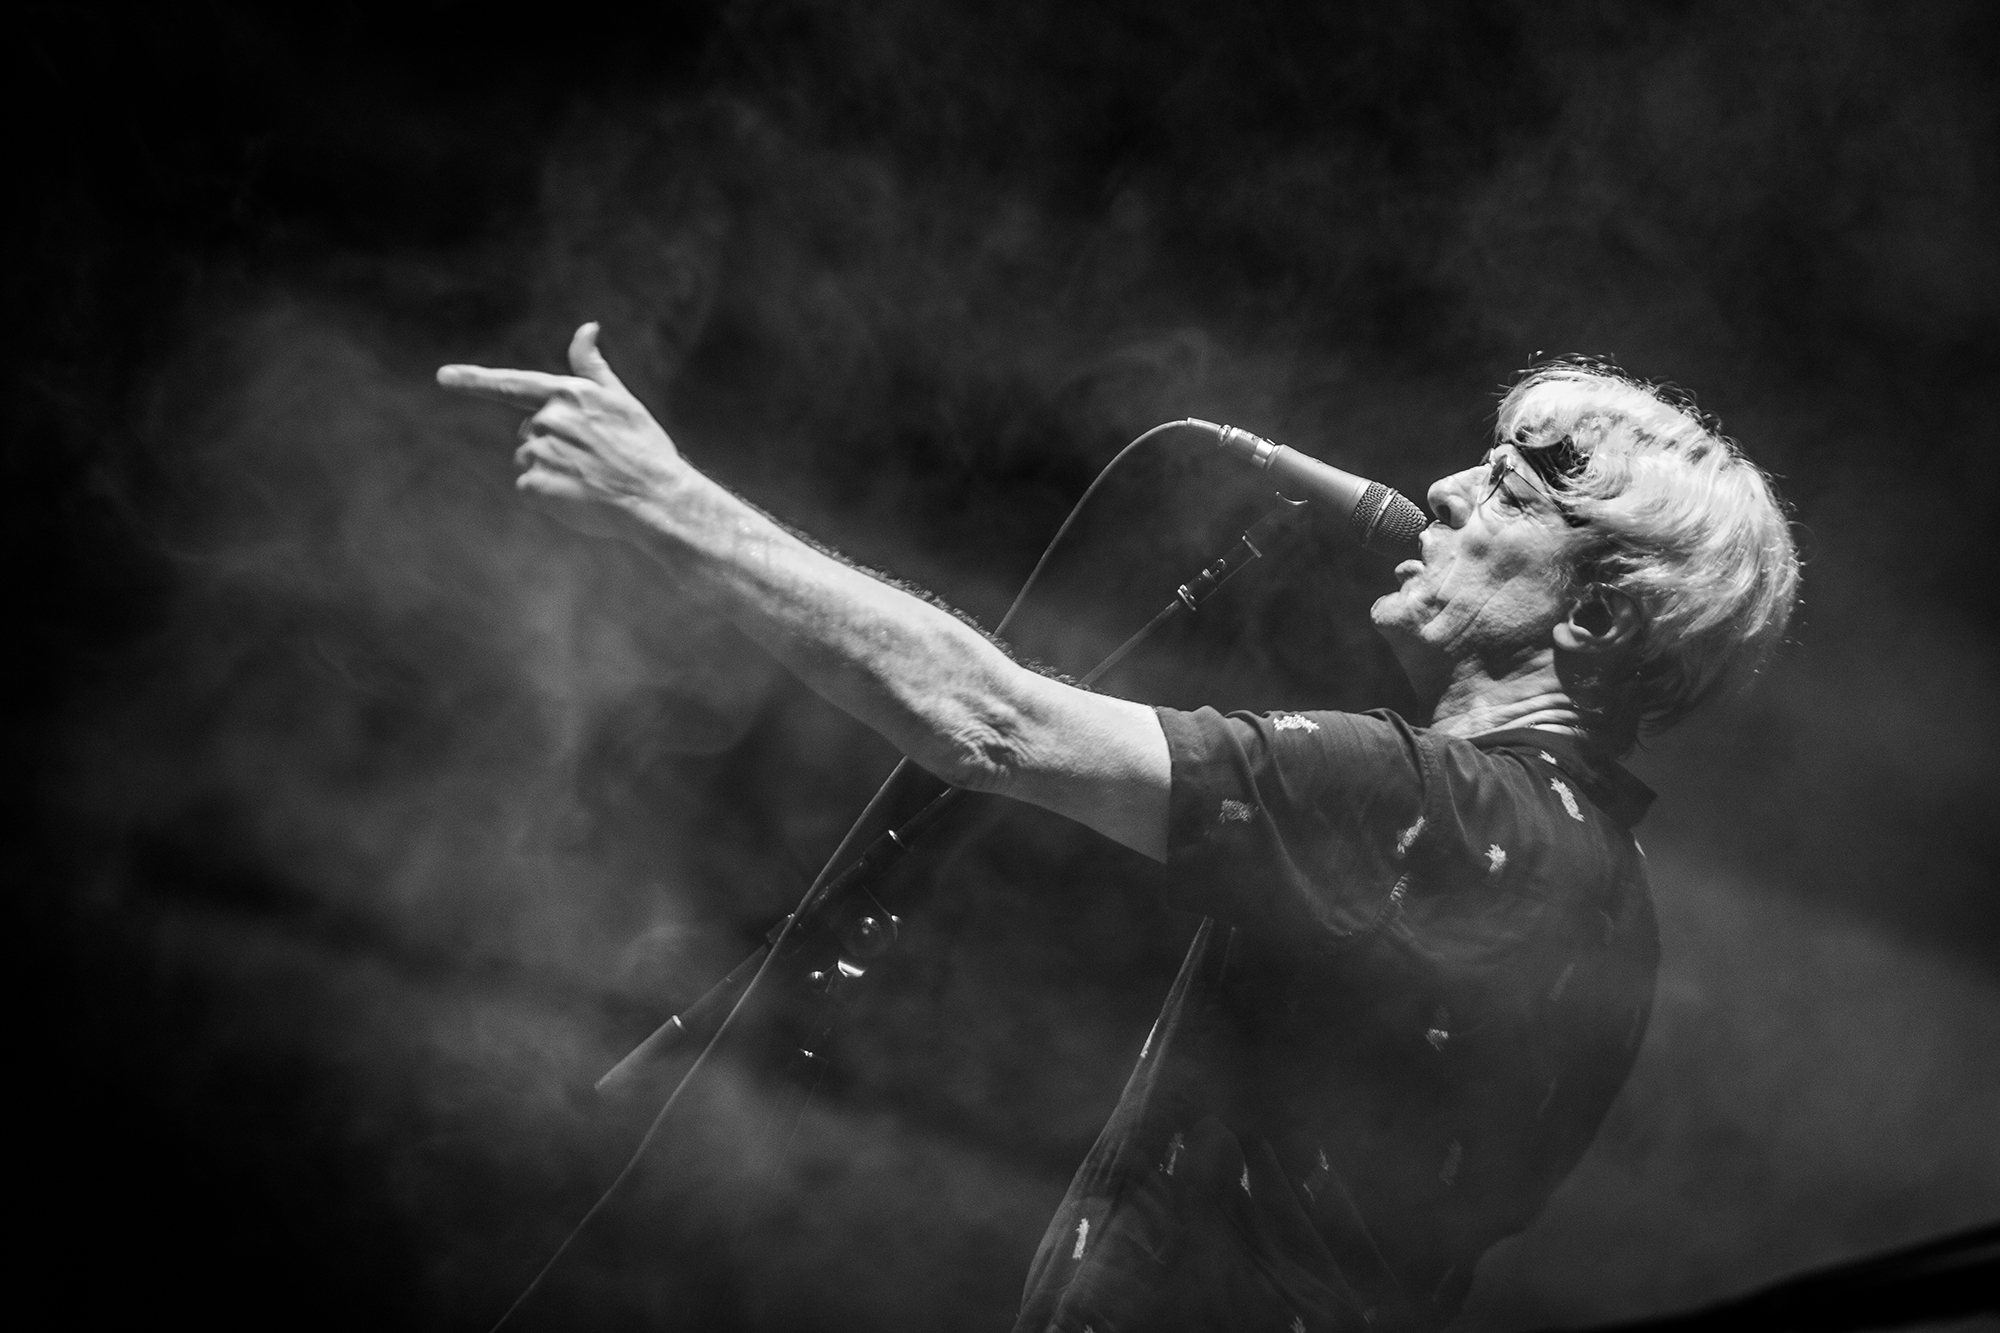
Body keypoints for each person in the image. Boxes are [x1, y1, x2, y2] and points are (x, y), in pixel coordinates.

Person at [439, 326, 1800, 1333]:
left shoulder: (1440, 816)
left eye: (1511, 485)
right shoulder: (1595, 886)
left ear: (1603, 614)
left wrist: (665, 500)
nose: (1443, 489)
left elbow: (989, 720)